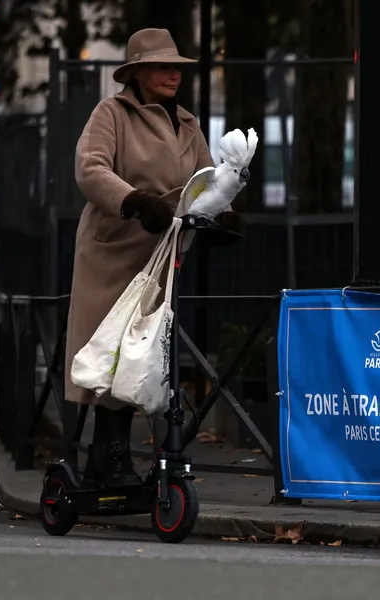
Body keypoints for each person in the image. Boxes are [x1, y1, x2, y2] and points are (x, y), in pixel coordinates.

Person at [66, 27, 245, 489]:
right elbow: (90, 169)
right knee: (110, 351)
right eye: (163, 67)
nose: (172, 75)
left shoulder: (187, 122)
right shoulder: (112, 113)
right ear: (139, 72)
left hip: (164, 250)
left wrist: (222, 215)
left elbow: (209, 179)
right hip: (116, 248)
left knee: (143, 356)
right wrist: (134, 202)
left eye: (177, 68)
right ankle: (105, 458)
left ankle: (116, 460)